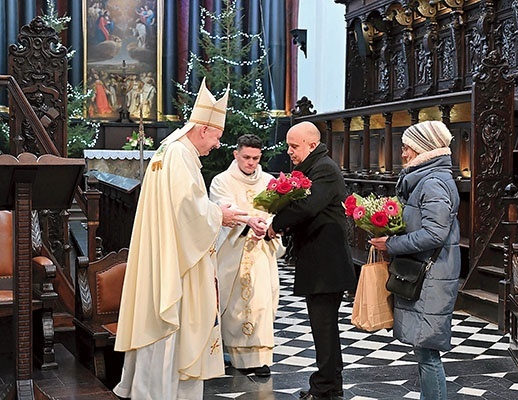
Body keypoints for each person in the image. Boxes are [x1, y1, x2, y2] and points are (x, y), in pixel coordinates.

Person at [114, 78, 246, 400]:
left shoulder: (167, 150)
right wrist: (220, 215)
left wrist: (211, 210)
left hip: (167, 253)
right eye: (216, 136)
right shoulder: (180, 156)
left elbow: (181, 208)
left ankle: (151, 389)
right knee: (174, 322)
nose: (216, 145)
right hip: (177, 261)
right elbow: (189, 211)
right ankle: (165, 393)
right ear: (203, 129)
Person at [369, 120, 460, 400]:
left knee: (427, 352)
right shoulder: (425, 180)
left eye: (407, 147)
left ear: (423, 149)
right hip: (426, 273)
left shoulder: (432, 183)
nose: (403, 153)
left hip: (432, 276)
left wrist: (392, 244)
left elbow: (434, 233)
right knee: (423, 349)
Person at [267, 121, 356, 400]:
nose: (290, 152)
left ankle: (324, 388)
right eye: (289, 146)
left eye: (294, 146)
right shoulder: (313, 167)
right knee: (325, 327)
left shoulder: (324, 169)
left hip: (326, 263)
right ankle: (330, 386)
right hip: (319, 261)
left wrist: (275, 224)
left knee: (324, 327)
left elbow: (308, 206)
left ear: (311, 145)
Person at [209, 134, 285, 378]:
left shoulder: (269, 180)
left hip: (261, 250)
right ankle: (232, 355)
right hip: (234, 251)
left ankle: (261, 358)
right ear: (236, 154)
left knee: (263, 301)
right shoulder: (222, 181)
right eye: (246, 157)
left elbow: (276, 210)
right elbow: (224, 211)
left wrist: (268, 226)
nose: (251, 162)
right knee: (233, 306)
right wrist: (250, 223)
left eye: (255, 158)